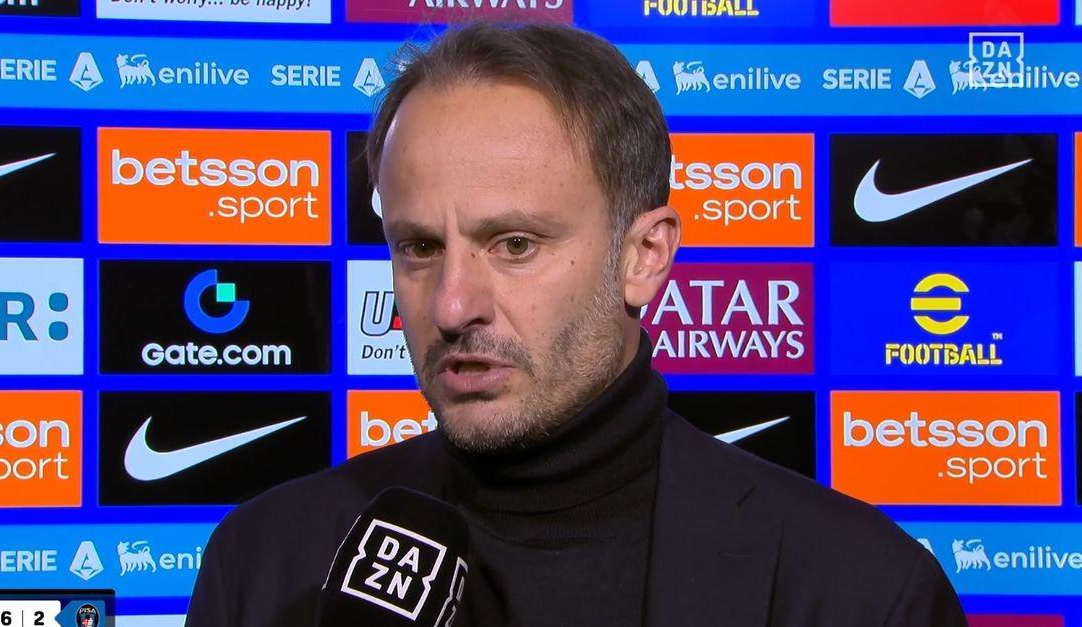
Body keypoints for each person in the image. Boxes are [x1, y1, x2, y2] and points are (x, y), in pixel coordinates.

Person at [185, 22, 967, 627]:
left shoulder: (860, 592)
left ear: (644, 256)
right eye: (420, 247)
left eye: (514, 244)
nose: (452, 306)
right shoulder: (263, 565)